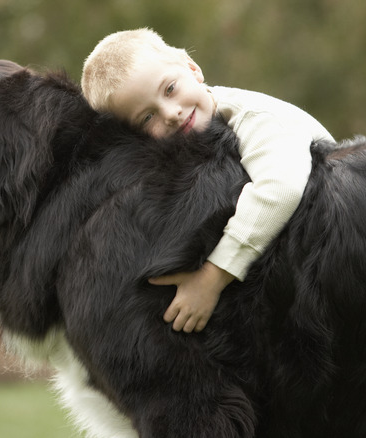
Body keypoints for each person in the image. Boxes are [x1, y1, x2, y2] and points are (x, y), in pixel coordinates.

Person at [81, 28, 334, 333]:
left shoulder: (253, 118)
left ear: (192, 68)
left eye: (170, 89)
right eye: (147, 118)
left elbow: (281, 189)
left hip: (334, 237)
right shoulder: (192, 142)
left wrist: (212, 277)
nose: (171, 113)